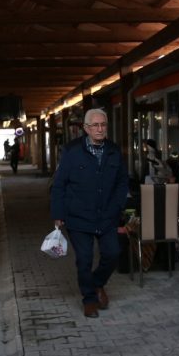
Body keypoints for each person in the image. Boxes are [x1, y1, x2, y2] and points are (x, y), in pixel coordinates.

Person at [50, 108, 129, 318]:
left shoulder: (113, 151)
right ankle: (89, 300)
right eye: (95, 125)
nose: (100, 129)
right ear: (85, 128)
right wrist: (58, 214)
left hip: (107, 215)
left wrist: (118, 206)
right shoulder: (71, 151)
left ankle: (96, 283)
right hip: (78, 216)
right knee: (84, 259)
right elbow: (59, 184)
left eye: (103, 125)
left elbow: (122, 182)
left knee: (112, 253)